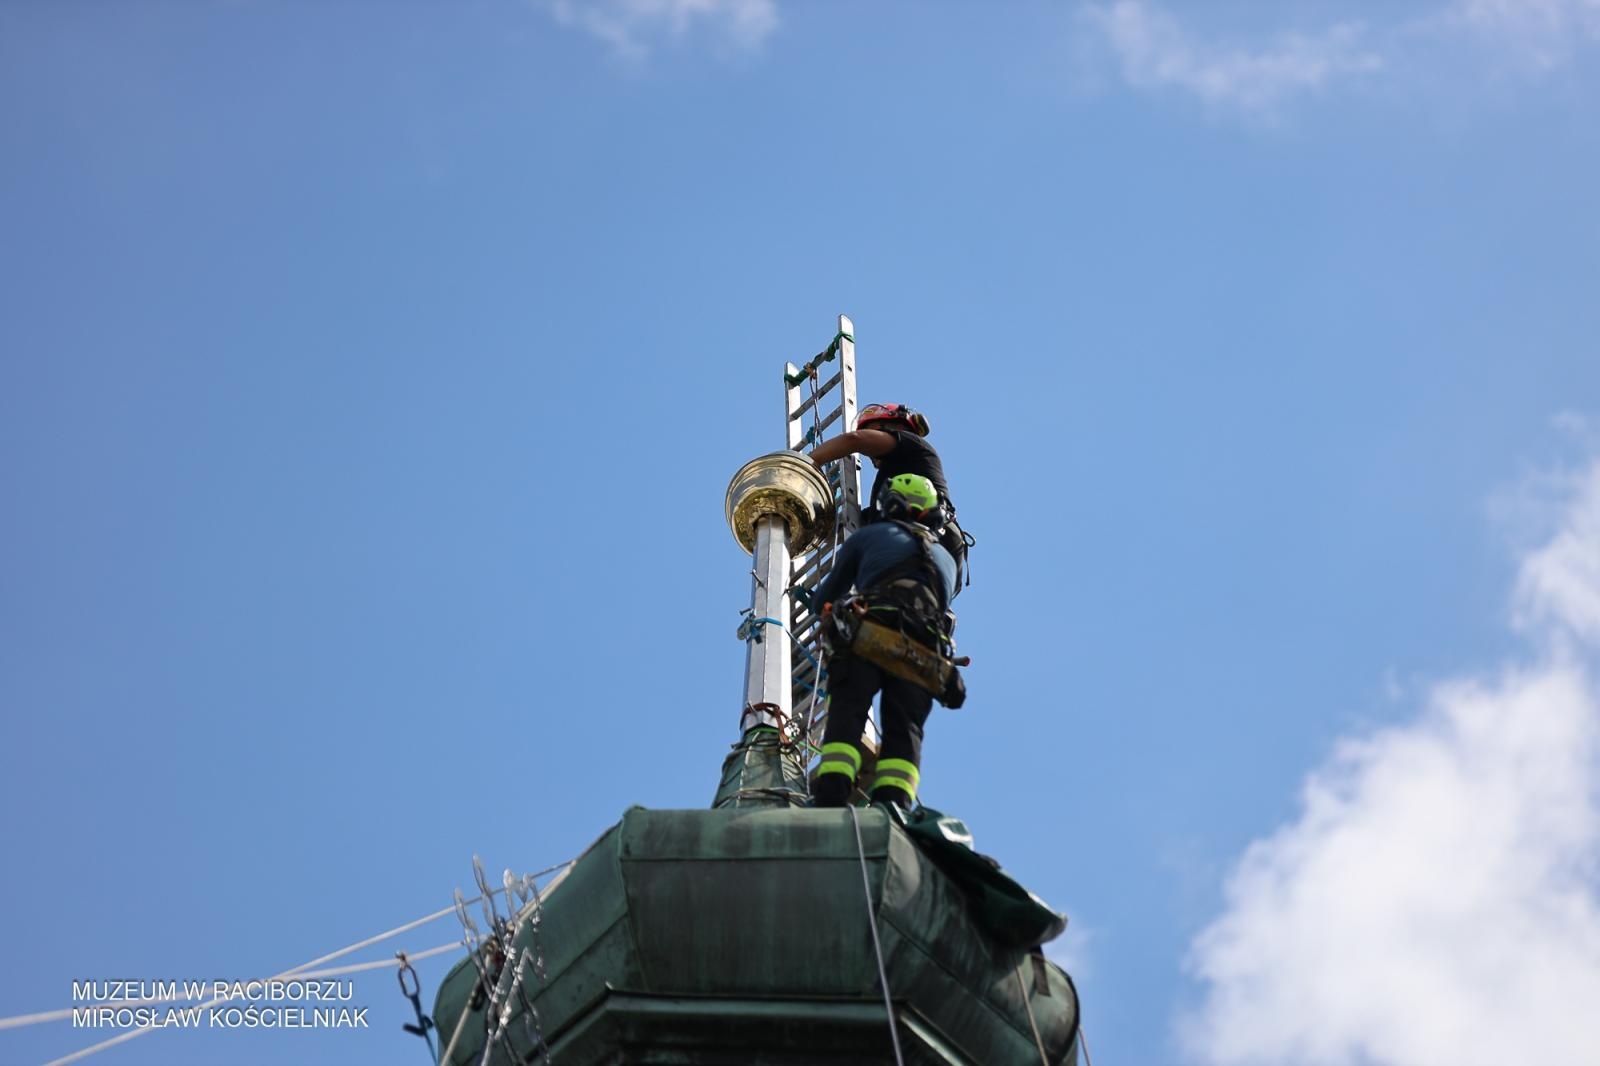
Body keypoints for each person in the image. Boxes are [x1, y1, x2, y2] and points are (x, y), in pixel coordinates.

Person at [806, 473, 959, 811]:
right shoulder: (948, 561)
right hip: (923, 653)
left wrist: (822, 606)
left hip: (868, 637)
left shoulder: (870, 537)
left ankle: (831, 796)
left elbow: (824, 600)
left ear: (890, 504)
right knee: (905, 731)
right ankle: (894, 806)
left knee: (848, 712)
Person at [808, 402, 970, 593]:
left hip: (929, 538)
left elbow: (854, 440)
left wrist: (806, 464)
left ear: (894, 426)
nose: (869, 455)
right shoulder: (889, 501)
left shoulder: (914, 445)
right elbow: (846, 528)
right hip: (929, 569)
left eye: (873, 430)